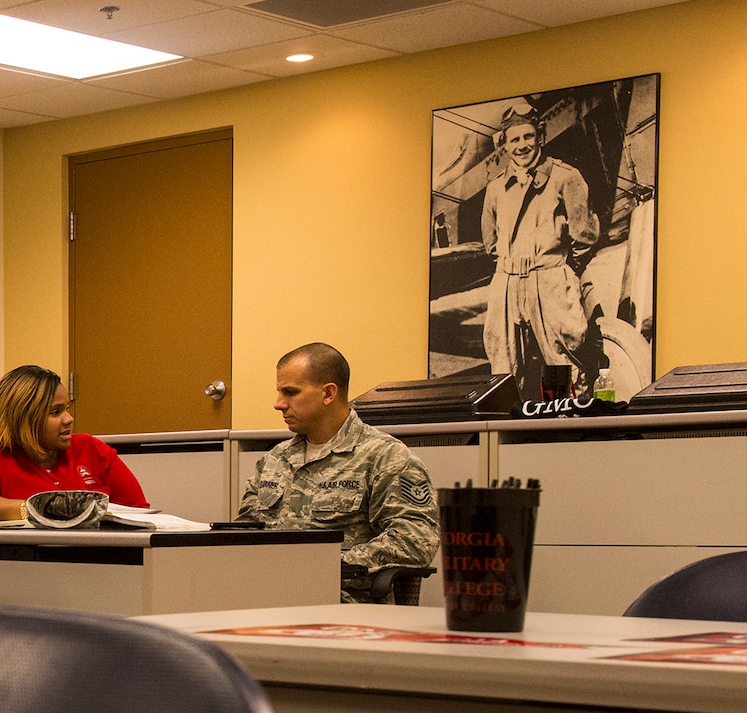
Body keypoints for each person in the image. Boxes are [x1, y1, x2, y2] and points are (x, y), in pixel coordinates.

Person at [238, 343, 439, 602]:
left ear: (328, 393)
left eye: (290, 392)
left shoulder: (385, 457)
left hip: (341, 601)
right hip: (268, 597)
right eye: (279, 392)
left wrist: (325, 567)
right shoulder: (274, 460)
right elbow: (245, 532)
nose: (278, 404)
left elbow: (415, 540)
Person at [481, 106, 598, 389]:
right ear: (505, 145)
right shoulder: (496, 188)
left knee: (561, 362)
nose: (522, 146)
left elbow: (585, 236)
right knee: (504, 367)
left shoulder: (565, 177)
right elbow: (490, 241)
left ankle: (560, 415)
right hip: (506, 284)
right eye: (514, 140)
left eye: (528, 136)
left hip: (549, 280)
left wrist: (557, 269)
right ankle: (510, 419)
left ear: (540, 137)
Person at [0, 364, 147, 526]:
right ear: (24, 418)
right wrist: (41, 511)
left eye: (67, 408)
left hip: (102, 559)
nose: (69, 419)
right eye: (55, 412)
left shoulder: (91, 449)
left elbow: (139, 513)